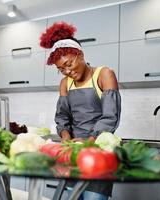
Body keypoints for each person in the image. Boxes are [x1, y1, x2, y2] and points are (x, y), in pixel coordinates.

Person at [40, 22, 121, 200]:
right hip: (74, 153)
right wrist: (67, 143)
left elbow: (110, 117)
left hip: (98, 153)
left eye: (69, 64)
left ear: (80, 54)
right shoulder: (65, 83)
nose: (67, 71)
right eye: (61, 69)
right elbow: (62, 117)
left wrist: (88, 143)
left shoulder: (104, 74)